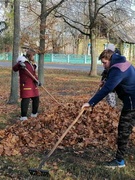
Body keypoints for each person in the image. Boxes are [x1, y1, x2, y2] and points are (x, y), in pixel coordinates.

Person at [82, 49, 135, 168]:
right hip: (132, 101)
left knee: (124, 131)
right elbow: (118, 82)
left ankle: (119, 161)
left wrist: (90, 103)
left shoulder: (117, 69)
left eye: (105, 62)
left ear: (110, 59)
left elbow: (107, 90)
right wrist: (106, 81)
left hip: (132, 104)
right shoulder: (123, 63)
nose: (103, 65)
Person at [13, 49, 41, 121]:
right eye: (33, 55)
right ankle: (23, 116)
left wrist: (37, 81)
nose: (34, 57)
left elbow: (34, 74)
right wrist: (20, 65)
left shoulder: (32, 64)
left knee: (36, 98)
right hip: (26, 84)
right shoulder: (22, 61)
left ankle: (34, 114)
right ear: (30, 55)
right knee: (26, 99)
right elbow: (14, 68)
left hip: (33, 84)